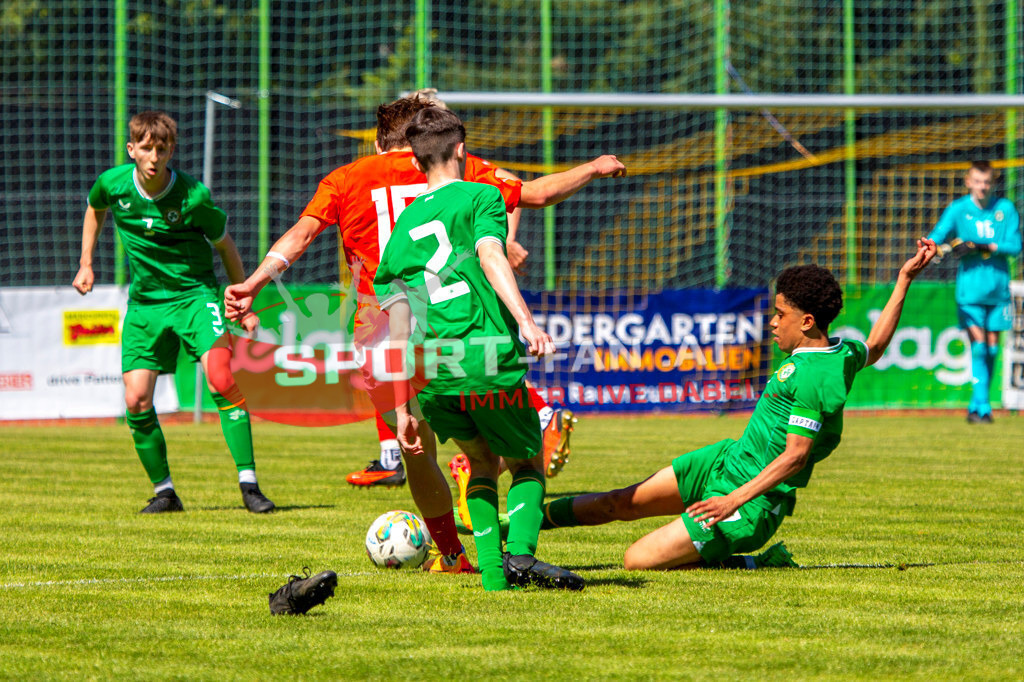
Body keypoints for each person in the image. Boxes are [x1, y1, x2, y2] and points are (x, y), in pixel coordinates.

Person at [224, 94, 624, 574]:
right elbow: (536, 193)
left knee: (417, 450)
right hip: (456, 325)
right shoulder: (463, 166)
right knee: (503, 447)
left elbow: (302, 235)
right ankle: (508, 538)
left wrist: (254, 282)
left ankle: (452, 555)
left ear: (379, 142)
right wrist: (593, 168)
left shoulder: (347, 178)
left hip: (382, 332)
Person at [537, 240, 937, 570]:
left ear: (809, 321)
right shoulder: (841, 352)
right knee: (620, 500)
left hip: (752, 502)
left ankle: (759, 562)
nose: (773, 322)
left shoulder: (817, 376)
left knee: (636, 560)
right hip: (726, 461)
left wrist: (734, 499)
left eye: (781, 315)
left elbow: (796, 457)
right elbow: (878, 346)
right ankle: (517, 524)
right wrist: (904, 278)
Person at [376, 106, 582, 591]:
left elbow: (398, 324)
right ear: (461, 151)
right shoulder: (481, 196)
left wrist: (402, 407)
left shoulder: (402, 227)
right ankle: (523, 560)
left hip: (432, 372)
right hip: (484, 356)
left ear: (415, 161)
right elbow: (492, 254)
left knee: (481, 464)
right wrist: (527, 322)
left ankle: (493, 577)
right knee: (529, 461)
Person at [72, 111, 274, 514]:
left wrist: (240, 297)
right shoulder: (112, 185)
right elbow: (95, 208)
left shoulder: (193, 196)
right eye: (145, 147)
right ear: (132, 149)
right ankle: (165, 492)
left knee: (220, 379)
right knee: (136, 400)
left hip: (195, 298)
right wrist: (86, 262)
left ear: (170, 152)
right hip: (146, 304)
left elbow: (225, 244)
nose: (153, 156)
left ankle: (249, 485)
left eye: (161, 148)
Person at [927, 160, 1022, 424]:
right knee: (979, 347)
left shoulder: (1005, 209)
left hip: (999, 291)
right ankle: (982, 408)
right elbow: (937, 235)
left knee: (992, 349)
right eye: (977, 182)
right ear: (968, 182)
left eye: (987, 182)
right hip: (969, 292)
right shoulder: (958, 209)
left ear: (993, 183)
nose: (982, 187)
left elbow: (1015, 245)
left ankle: (977, 404)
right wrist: (932, 247)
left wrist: (982, 246)